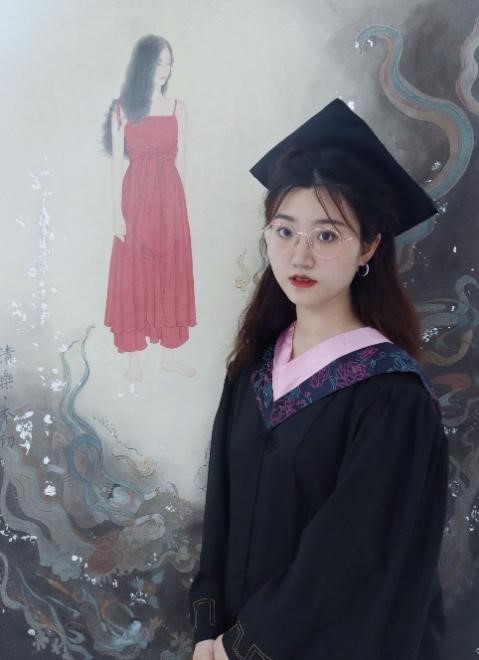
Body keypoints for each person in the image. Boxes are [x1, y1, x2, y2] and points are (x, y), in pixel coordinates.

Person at [189, 99, 450, 659]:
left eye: (327, 236)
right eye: (284, 231)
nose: (300, 255)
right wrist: (208, 631)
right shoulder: (253, 372)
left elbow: (350, 556)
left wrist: (243, 646)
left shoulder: (390, 395)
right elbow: (221, 514)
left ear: (369, 246)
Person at [102, 34, 196, 382]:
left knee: (169, 269)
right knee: (134, 270)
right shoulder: (123, 108)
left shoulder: (178, 108)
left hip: (170, 199)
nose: (164, 69)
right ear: (144, 64)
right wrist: (116, 213)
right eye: (158, 62)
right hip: (135, 199)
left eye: (168, 62)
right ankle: (133, 361)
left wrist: (182, 210)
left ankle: (169, 356)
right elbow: (116, 165)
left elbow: (182, 163)